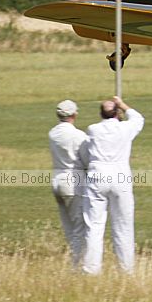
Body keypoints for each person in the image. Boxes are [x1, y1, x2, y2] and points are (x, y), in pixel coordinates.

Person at [80, 95, 145, 275]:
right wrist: (122, 104)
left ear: (101, 114)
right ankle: (126, 269)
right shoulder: (125, 128)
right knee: (123, 225)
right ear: (117, 113)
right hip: (120, 176)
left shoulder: (93, 129)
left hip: (97, 176)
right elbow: (139, 118)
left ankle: (91, 269)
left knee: (94, 225)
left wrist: (117, 109)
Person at [48, 99, 88, 269]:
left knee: (69, 227)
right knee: (80, 227)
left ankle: (75, 260)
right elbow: (86, 160)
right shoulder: (78, 135)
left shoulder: (52, 133)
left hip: (57, 180)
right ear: (74, 115)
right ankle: (78, 266)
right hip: (73, 182)